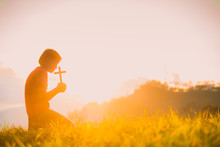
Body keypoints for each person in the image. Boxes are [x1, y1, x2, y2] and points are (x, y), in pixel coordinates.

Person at [25, 49, 74, 130]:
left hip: (32, 116)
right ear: (48, 61)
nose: (56, 67)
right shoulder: (41, 73)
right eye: (55, 63)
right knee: (70, 126)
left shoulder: (37, 71)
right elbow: (42, 98)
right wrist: (57, 89)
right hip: (41, 114)